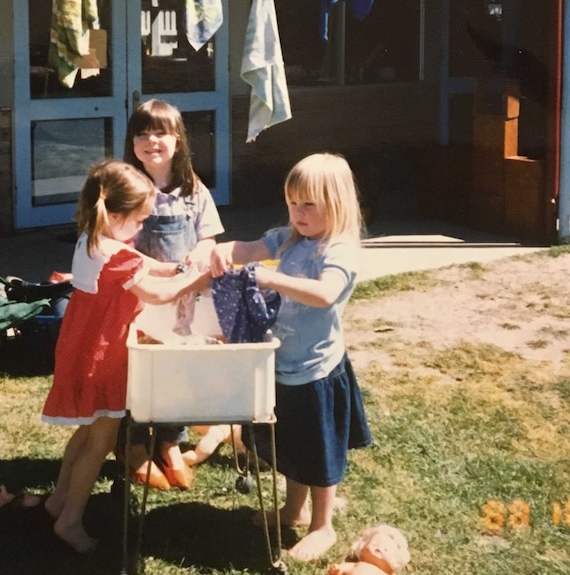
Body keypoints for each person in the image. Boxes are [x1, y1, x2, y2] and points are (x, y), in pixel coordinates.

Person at [40, 159, 211, 554]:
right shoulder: (116, 255)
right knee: (101, 441)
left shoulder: (91, 238)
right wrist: (198, 279)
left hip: (81, 346)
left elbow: (149, 266)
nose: (141, 228)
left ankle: (58, 500)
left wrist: (175, 268)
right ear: (116, 214)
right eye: (139, 221)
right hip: (104, 353)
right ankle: (70, 521)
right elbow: (156, 294)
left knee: (85, 431)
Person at [209, 152, 372, 563]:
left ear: (335, 205)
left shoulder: (338, 251)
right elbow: (247, 249)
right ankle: (293, 510)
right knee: (290, 444)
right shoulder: (290, 237)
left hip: (317, 370)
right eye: (291, 203)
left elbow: (324, 294)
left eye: (307, 205)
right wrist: (217, 251)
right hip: (283, 363)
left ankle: (323, 524)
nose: (297, 212)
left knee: (319, 451)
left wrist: (270, 276)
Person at [120, 98, 226, 490]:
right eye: (142, 133)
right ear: (132, 143)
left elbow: (208, 238)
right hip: (134, 296)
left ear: (178, 141)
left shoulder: (193, 189)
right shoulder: (123, 187)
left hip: (179, 298)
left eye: (160, 132)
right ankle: (134, 445)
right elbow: (113, 243)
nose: (151, 141)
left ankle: (170, 442)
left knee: (176, 368)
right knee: (138, 370)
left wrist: (195, 260)